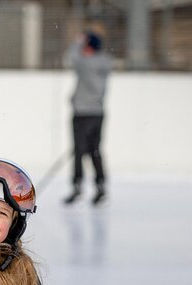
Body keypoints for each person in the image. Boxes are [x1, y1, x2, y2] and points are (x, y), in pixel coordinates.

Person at [64, 31, 113, 206]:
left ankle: (77, 186)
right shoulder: (105, 62)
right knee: (95, 150)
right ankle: (100, 185)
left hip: (82, 113)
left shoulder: (86, 63)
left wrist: (77, 41)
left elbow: (69, 58)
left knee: (79, 151)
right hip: (98, 113)